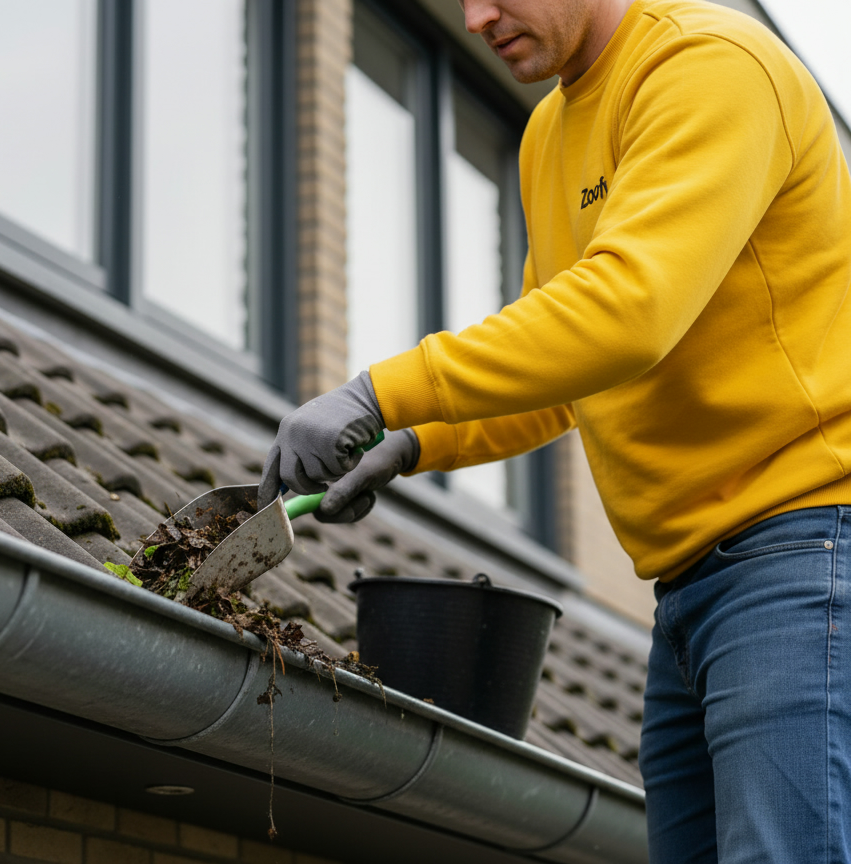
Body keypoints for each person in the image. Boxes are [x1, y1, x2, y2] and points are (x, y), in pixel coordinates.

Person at [258, 0, 851, 861]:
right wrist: (413, 440)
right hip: (687, 594)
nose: (474, 17)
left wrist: (382, 390)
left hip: (799, 553)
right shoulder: (548, 132)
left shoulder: (709, 67)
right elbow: (567, 366)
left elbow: (626, 313)